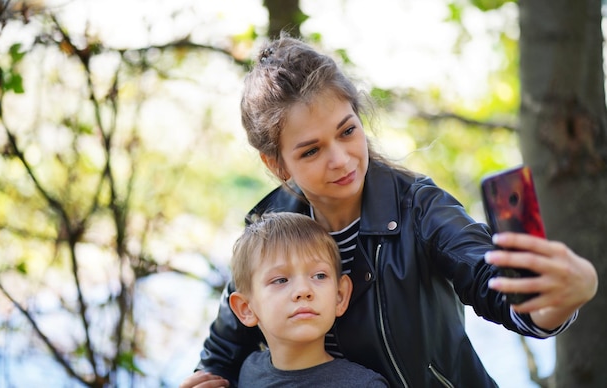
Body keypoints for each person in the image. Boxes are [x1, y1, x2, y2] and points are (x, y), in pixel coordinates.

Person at [181, 34, 598, 388]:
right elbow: (225, 347)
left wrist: (557, 300)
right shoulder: (268, 229)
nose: (342, 159)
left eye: (347, 131)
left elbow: (496, 289)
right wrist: (208, 377)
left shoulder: (420, 207)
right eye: (311, 150)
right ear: (277, 165)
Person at [225, 211, 388, 387]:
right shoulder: (249, 371)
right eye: (280, 280)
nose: (303, 290)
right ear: (246, 309)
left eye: (319, 276)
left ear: (340, 295)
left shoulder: (364, 385)